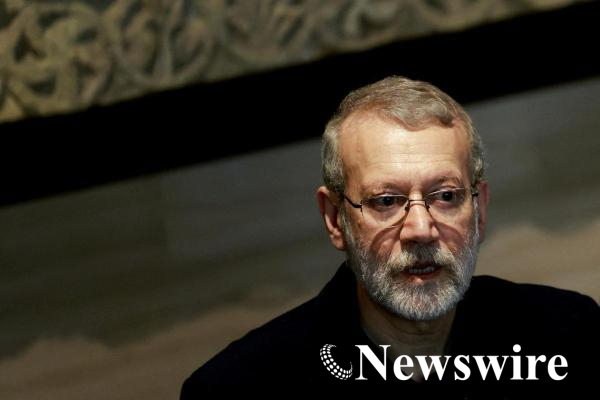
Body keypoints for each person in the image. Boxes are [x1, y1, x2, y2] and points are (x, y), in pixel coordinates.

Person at [181, 76, 599, 395]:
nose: (420, 229)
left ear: (480, 209)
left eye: (446, 196)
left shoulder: (568, 336)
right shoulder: (238, 389)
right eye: (385, 201)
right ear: (335, 219)